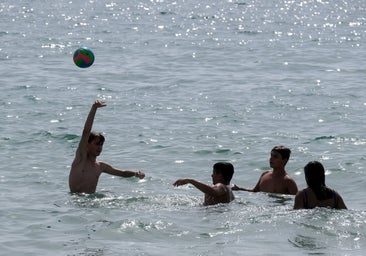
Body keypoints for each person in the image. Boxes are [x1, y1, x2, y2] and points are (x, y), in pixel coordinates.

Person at [69, 100, 145, 194]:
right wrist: (94, 109)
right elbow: (86, 132)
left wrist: (135, 174)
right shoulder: (80, 159)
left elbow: (122, 173)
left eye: (101, 145)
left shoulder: (100, 166)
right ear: (87, 145)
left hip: (90, 203)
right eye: (96, 144)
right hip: (76, 202)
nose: (99, 148)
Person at [232, 145, 298, 195]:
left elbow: (296, 200)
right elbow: (255, 191)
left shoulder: (288, 181)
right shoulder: (265, 174)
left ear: (284, 160)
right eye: (271, 156)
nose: (271, 159)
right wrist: (239, 189)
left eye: (275, 157)